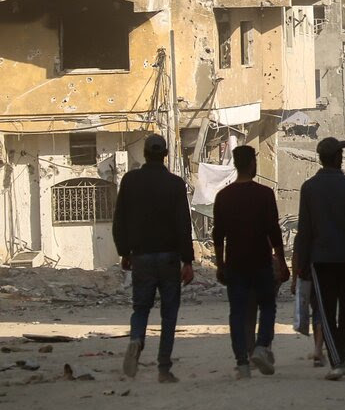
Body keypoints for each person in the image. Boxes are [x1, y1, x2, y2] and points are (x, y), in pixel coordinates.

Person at [113, 133, 194, 383]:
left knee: (140, 308)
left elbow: (120, 220)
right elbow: (183, 224)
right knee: (169, 315)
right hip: (169, 258)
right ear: (165, 155)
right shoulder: (175, 184)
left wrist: (124, 252)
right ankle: (163, 368)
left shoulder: (130, 181)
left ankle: (137, 338)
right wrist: (188, 261)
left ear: (145, 154)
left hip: (141, 257)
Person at [294, 138, 345, 380]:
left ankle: (339, 360)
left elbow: (304, 231)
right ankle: (343, 358)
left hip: (321, 260)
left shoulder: (309, 188)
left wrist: (302, 265)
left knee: (325, 312)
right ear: (338, 158)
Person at [212, 145, 288, 379]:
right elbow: (273, 231)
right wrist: (282, 262)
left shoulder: (223, 196)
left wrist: (220, 263)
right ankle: (261, 346)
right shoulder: (264, 194)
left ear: (235, 165)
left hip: (235, 264)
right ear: (252, 164)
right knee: (267, 306)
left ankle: (242, 363)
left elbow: (218, 234)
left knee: (237, 312)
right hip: (261, 262)